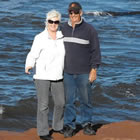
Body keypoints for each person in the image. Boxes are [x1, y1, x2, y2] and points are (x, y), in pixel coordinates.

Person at [60, 2, 101, 138]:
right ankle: (69, 126)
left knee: (86, 100)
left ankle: (87, 124)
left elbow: (96, 51)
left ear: (81, 13)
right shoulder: (62, 29)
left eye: (75, 12)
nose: (73, 15)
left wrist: (94, 69)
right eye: (71, 12)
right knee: (68, 101)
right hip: (67, 72)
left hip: (84, 72)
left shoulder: (89, 30)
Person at [25, 10, 65, 140]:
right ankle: (43, 132)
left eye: (56, 21)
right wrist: (29, 64)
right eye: (51, 21)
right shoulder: (40, 37)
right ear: (46, 22)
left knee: (61, 103)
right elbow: (33, 53)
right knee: (43, 105)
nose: (53, 24)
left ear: (59, 23)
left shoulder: (62, 37)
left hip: (58, 75)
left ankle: (58, 127)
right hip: (42, 76)